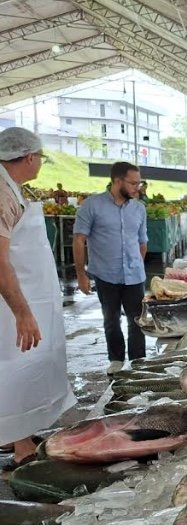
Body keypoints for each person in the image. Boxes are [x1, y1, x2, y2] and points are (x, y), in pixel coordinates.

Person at [0, 128, 76, 464]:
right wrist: (22, 312)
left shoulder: (11, 189)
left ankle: (16, 435)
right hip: (11, 304)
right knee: (15, 368)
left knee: (25, 366)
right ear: (29, 157)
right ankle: (21, 448)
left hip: (28, 297)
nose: (41, 162)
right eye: (41, 157)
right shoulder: (2, 194)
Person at [74, 162, 148, 375]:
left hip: (134, 275)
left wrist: (138, 264)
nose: (137, 188)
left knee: (137, 319)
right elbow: (79, 239)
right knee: (111, 318)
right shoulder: (92, 205)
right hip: (106, 274)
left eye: (139, 183)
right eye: (133, 183)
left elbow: (142, 241)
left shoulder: (139, 208)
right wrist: (81, 274)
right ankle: (116, 359)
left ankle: (138, 362)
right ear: (117, 181)